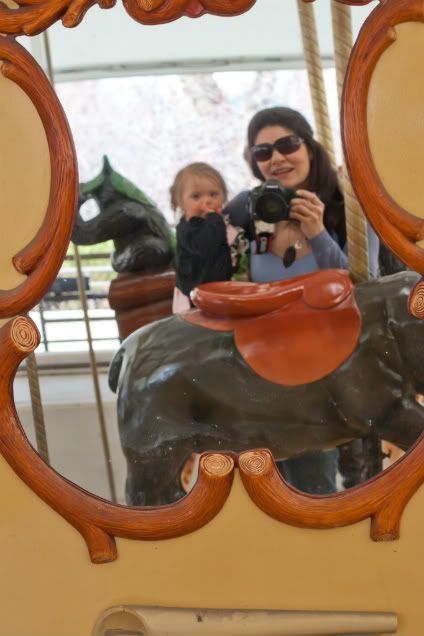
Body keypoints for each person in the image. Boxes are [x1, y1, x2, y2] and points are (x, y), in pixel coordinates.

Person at [225, 106, 379, 494]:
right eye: (262, 152)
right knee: (290, 486)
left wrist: (318, 233)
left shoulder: (351, 207)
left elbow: (365, 288)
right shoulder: (253, 215)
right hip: (272, 369)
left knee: (357, 480)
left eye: (286, 144)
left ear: (310, 146)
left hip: (340, 364)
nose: (275, 158)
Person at [170, 162, 249, 313]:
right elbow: (208, 242)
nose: (207, 201)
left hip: (221, 293)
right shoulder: (188, 229)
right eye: (196, 196)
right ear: (180, 202)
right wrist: (214, 218)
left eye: (213, 194)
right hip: (196, 300)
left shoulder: (220, 223)